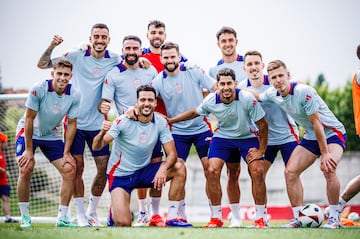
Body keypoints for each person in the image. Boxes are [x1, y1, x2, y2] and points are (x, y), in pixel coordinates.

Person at [37, 23, 121, 227]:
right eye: (96, 36)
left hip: (98, 125)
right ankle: (80, 214)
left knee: (104, 168)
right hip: (74, 123)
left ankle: (92, 212)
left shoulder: (115, 59)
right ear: (90, 38)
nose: (100, 40)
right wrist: (52, 46)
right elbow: (43, 64)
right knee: (77, 168)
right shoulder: (76, 55)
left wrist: (144, 60)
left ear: (108, 40)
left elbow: (133, 59)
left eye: (104, 37)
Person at [168, 67, 269, 228]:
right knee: (211, 170)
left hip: (247, 136)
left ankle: (261, 218)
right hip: (223, 137)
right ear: (217, 85)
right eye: (222, 83)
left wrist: (261, 150)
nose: (226, 87)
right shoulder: (211, 100)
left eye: (229, 83)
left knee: (257, 171)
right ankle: (216, 217)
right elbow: (194, 112)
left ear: (235, 83)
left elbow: (263, 125)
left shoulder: (247, 98)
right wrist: (171, 121)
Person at [258, 60, 346, 229]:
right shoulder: (271, 93)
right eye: (274, 77)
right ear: (270, 80)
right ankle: (299, 217)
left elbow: (317, 123)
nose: (278, 80)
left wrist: (325, 153)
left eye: (281, 76)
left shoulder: (304, 91)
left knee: (329, 168)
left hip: (332, 133)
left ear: (288, 75)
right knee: (290, 172)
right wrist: (236, 91)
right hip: (311, 136)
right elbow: (257, 95)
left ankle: (334, 218)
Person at [92, 85, 192, 227]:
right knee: (123, 223)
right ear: (137, 102)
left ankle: (172, 218)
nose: (146, 103)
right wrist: (102, 132)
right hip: (121, 176)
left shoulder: (160, 122)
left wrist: (163, 169)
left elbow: (172, 154)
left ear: (155, 103)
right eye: (143, 100)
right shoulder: (123, 121)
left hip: (144, 172)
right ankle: (114, 211)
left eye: (150, 100)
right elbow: (97, 146)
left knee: (179, 165)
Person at [99, 35, 163, 226]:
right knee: (129, 169)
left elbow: (155, 96)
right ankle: (118, 209)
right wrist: (107, 109)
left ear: (140, 50)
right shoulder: (114, 74)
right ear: (123, 50)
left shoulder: (149, 70)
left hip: (151, 127)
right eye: (128, 48)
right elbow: (105, 102)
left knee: (154, 166)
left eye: (135, 48)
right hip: (126, 132)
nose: (132, 52)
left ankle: (151, 214)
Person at [150, 41, 217, 224]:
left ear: (179, 57)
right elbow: (146, 101)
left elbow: (216, 89)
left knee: (211, 170)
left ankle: (215, 216)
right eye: (166, 57)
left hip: (202, 128)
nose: (170, 60)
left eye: (173, 56)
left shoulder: (194, 71)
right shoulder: (158, 80)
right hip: (178, 133)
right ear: (161, 59)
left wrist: (209, 108)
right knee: (179, 169)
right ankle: (180, 214)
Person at [133, 20, 189, 227]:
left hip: (170, 122)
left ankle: (162, 213)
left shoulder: (178, 58)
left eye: (160, 32)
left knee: (166, 165)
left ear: (165, 35)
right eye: (153, 32)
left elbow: (188, 73)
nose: (157, 35)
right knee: (144, 163)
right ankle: (142, 212)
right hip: (145, 122)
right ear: (148, 34)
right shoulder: (139, 56)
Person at [15, 59, 80, 228]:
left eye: (66, 75)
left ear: (71, 76)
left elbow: (72, 123)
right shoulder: (39, 89)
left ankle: (62, 218)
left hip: (50, 134)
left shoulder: (74, 94)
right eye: (59, 74)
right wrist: (29, 150)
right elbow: (29, 119)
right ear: (53, 74)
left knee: (69, 169)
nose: (62, 78)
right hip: (28, 131)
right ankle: (25, 218)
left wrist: (66, 152)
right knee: (26, 167)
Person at [239, 51, 300, 225]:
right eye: (249, 64)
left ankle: (299, 217)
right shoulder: (241, 87)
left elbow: (293, 86)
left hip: (287, 136)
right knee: (256, 175)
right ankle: (261, 218)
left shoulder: (273, 81)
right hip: (264, 140)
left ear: (262, 66)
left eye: (256, 63)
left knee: (291, 175)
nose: (253, 67)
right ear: (245, 68)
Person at [208, 26, 250, 227]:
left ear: (236, 41)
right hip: (225, 132)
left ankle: (260, 215)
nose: (227, 44)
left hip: (250, 131)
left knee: (251, 172)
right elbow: (208, 101)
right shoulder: (213, 71)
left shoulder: (247, 64)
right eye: (223, 41)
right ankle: (223, 216)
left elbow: (265, 83)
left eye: (230, 40)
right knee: (218, 172)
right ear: (218, 44)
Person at [0, 132, 18, 223]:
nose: (6, 144)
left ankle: (7, 217)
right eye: (5, 142)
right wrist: (4, 171)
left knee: (6, 199)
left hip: (3, 182)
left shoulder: (2, 154)